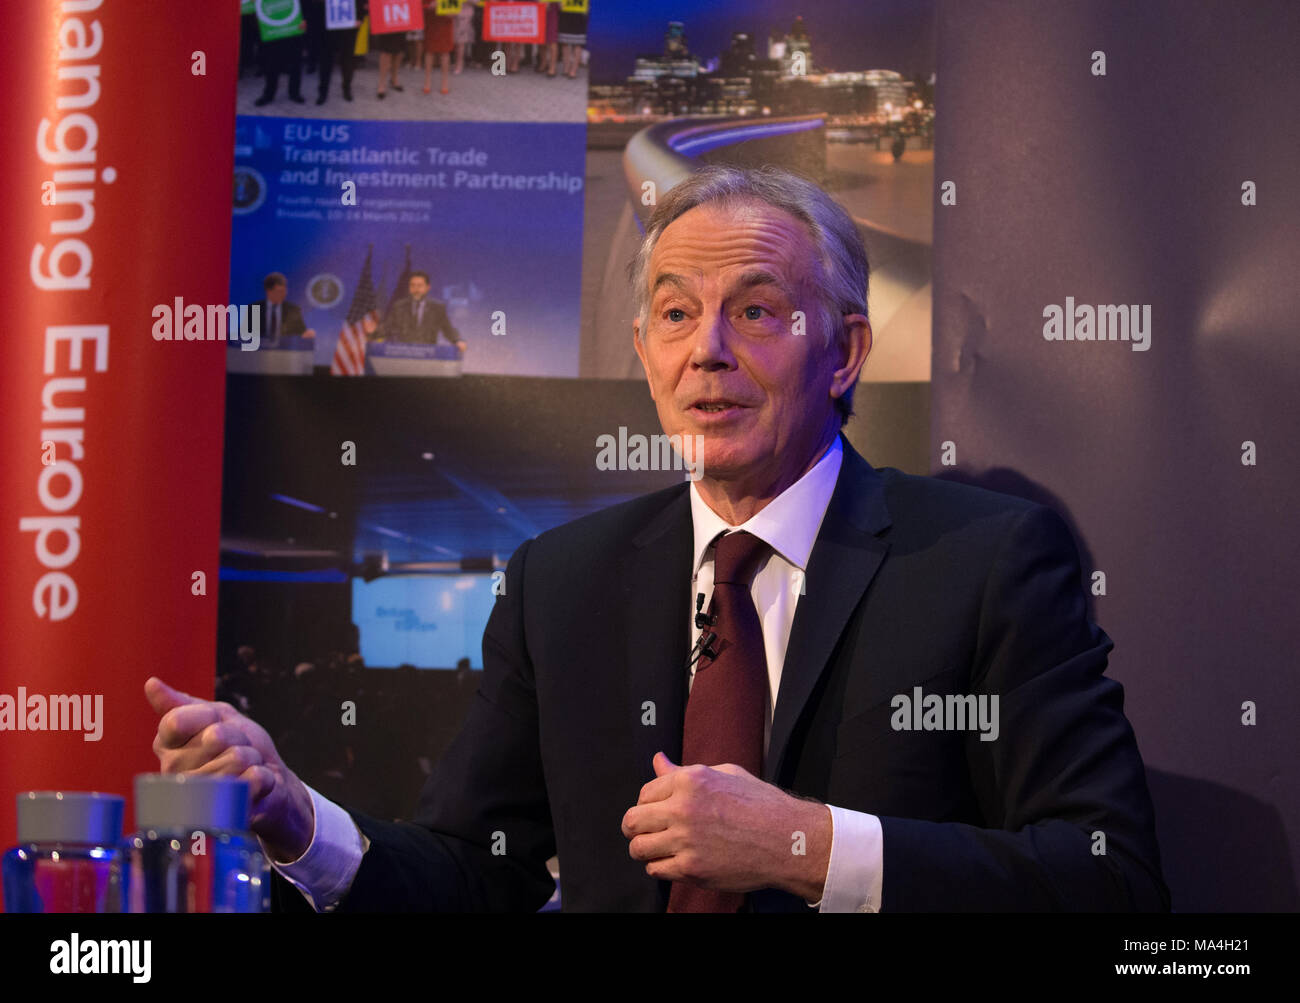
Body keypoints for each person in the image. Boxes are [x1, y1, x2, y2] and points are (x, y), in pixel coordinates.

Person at [148, 165, 1168, 912]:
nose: (707, 351)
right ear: (644, 356)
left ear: (845, 351)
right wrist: (295, 819)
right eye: (675, 315)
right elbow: (472, 874)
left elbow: (1109, 880)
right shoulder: (563, 581)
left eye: (756, 310)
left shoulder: (986, 563)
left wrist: (805, 845)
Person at [377, 270, 465, 351]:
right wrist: (373, 333)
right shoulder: (399, 306)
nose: (416, 289)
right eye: (412, 285)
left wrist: (457, 340)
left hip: (428, 356)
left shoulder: (437, 308)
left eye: (420, 286)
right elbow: (387, 328)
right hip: (403, 354)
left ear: (427, 287)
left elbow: (448, 329)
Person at [255, 273, 314, 346]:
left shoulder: (293, 310)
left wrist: (307, 335)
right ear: (269, 291)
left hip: (286, 353)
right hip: (259, 353)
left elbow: (301, 333)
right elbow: (244, 337)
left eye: (284, 291)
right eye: (279, 291)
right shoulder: (254, 309)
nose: (284, 294)